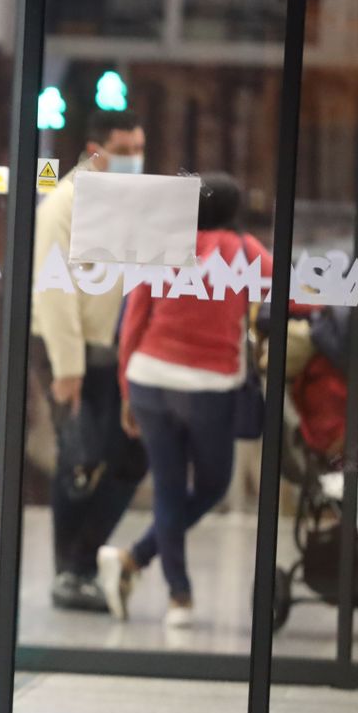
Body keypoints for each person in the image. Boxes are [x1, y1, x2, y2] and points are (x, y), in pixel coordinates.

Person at [100, 173, 267, 629]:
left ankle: (176, 594)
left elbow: (134, 321)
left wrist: (126, 390)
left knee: (169, 489)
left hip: (151, 378)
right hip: (209, 389)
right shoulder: (246, 252)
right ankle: (141, 565)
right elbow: (297, 293)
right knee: (212, 485)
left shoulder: (165, 245)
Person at [29, 108, 149, 611]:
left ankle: (82, 561)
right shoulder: (65, 204)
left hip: (118, 355)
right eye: (124, 151)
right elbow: (52, 288)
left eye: (139, 150)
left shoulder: (136, 205)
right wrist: (68, 368)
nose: (134, 160)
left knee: (130, 456)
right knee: (78, 460)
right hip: (69, 351)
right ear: (96, 151)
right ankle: (69, 573)